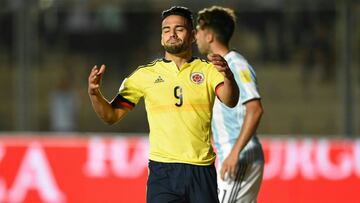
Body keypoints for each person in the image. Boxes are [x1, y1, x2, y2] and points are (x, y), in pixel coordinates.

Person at [87, 6, 239, 203]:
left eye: (179, 29)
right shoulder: (144, 75)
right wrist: (94, 93)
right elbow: (111, 116)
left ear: (193, 35)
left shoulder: (208, 70)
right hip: (163, 172)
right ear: (161, 37)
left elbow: (230, 100)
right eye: (166, 30)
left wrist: (228, 76)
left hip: (201, 170)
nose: (172, 34)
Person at [195, 6, 265, 203]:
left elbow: (255, 109)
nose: (195, 35)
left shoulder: (236, 64)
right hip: (229, 154)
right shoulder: (219, 67)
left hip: (240, 155)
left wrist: (235, 153)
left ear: (209, 35)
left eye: (198, 30)